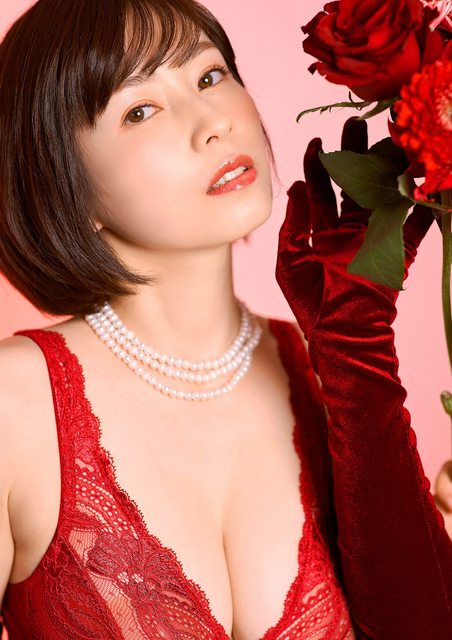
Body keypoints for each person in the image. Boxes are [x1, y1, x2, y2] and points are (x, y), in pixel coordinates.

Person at [0, 1, 450, 639]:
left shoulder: (323, 374)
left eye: (210, 76)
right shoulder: (15, 405)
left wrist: (357, 347)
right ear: (66, 185)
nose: (213, 122)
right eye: (139, 110)